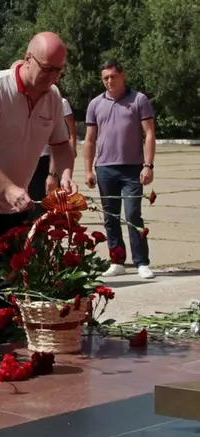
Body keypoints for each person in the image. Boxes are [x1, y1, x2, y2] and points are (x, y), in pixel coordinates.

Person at [0, 32, 77, 341]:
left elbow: (61, 146)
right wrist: (6, 187)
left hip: (16, 203)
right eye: (47, 68)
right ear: (28, 58)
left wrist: (65, 174)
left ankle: (9, 348)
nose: (52, 76)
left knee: (11, 277)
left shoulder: (53, 97)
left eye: (59, 70)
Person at [83, 60, 156, 279]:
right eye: (105, 77)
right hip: (105, 168)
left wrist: (148, 165)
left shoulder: (139, 100)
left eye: (113, 76)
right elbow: (89, 140)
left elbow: (150, 134)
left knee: (133, 214)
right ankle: (117, 261)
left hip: (133, 168)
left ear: (123, 75)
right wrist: (88, 170)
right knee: (110, 217)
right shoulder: (95, 104)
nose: (109, 81)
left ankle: (142, 262)